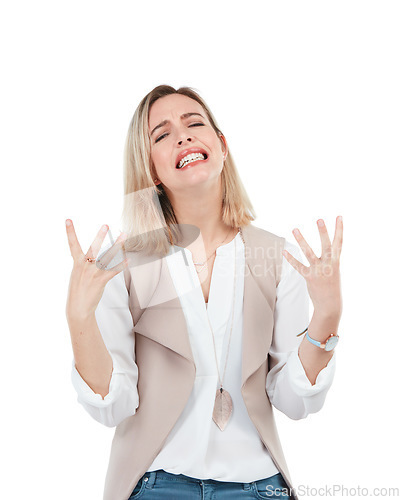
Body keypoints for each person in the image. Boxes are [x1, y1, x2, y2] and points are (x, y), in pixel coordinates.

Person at [65, 85, 343, 500]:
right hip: (155, 485)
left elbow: (293, 400)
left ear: (222, 146)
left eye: (195, 123)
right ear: (153, 171)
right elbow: (112, 405)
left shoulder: (276, 257)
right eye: (162, 134)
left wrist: (327, 314)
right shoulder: (124, 264)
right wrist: (79, 318)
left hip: (258, 487)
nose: (183, 135)